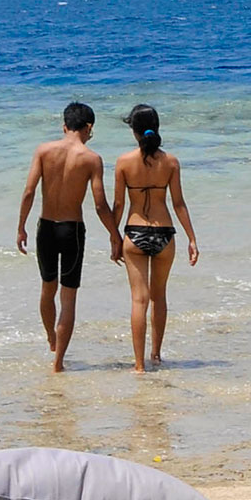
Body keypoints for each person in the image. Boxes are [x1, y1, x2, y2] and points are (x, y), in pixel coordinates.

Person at [15, 103, 115, 371]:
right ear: (89, 127)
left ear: (64, 126)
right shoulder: (92, 159)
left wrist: (21, 227)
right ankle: (58, 362)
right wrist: (114, 235)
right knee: (68, 299)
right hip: (72, 231)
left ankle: (51, 336)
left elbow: (29, 192)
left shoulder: (43, 151)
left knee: (47, 289)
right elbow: (100, 205)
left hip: (46, 228)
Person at [111, 102, 198, 374]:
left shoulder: (124, 162)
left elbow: (118, 205)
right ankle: (156, 355)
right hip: (164, 233)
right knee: (158, 297)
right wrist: (192, 239)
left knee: (139, 300)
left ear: (134, 131)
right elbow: (179, 203)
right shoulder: (170, 162)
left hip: (135, 233)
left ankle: (139, 366)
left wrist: (114, 237)